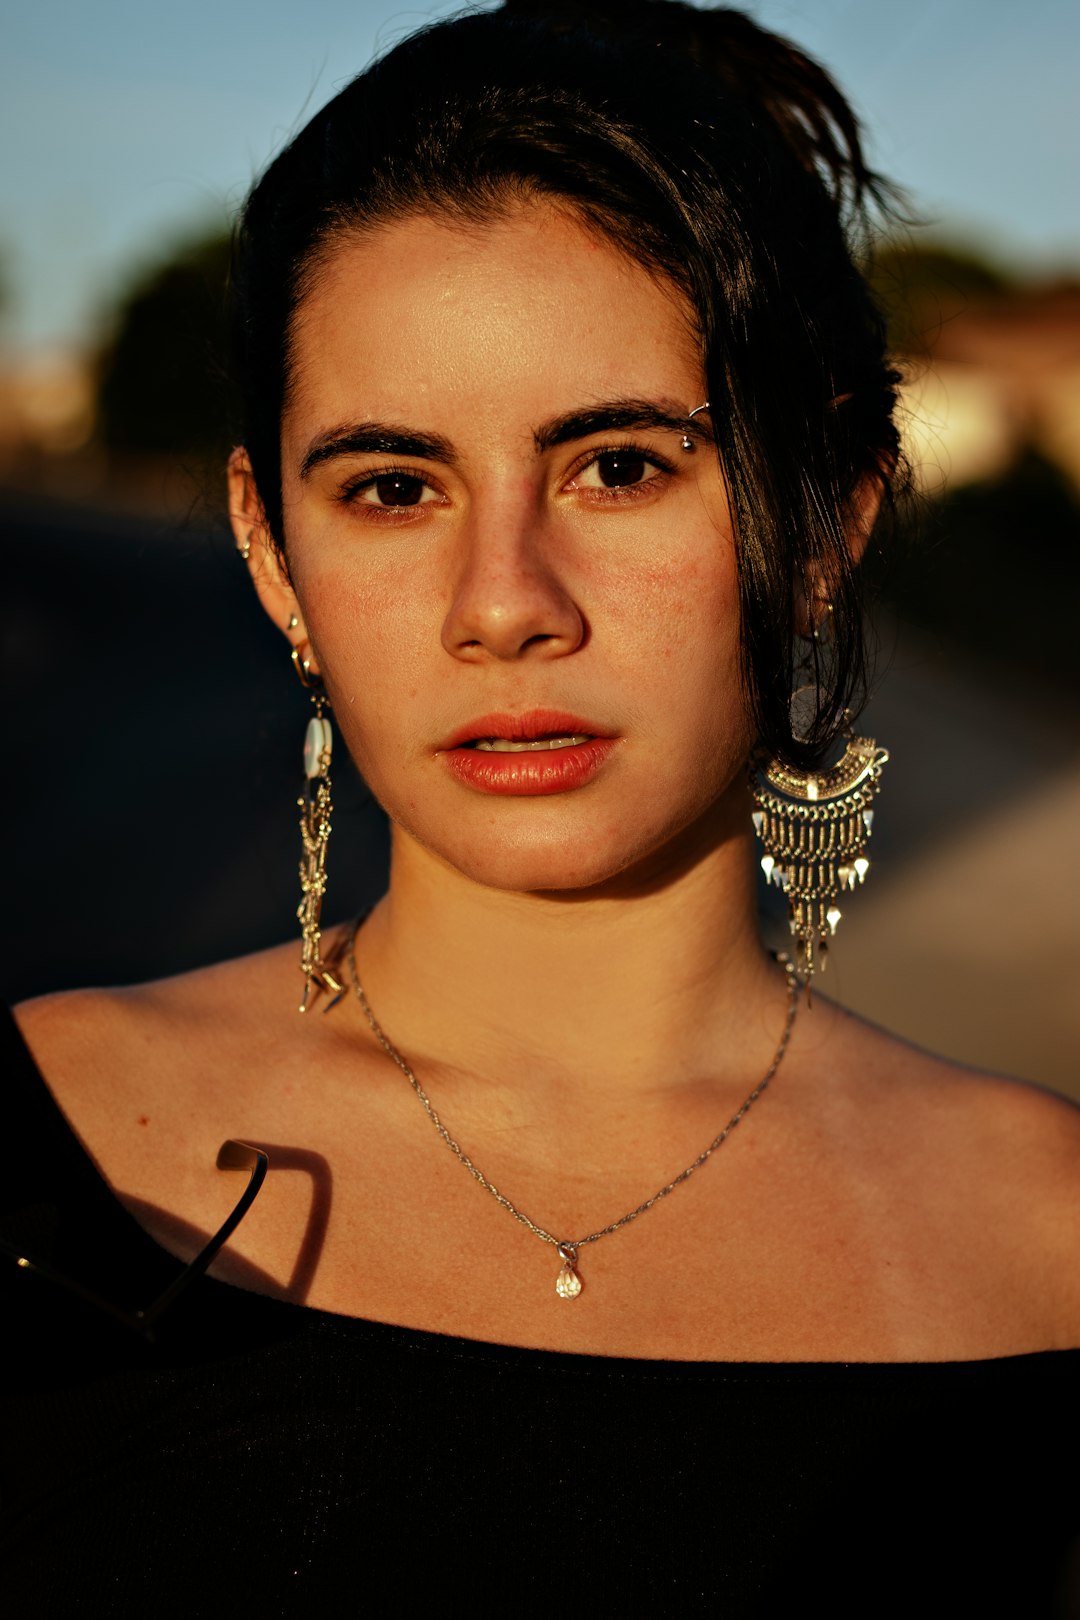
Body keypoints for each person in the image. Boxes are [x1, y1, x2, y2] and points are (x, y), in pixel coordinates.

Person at [4, 2, 1078, 1612]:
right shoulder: (34, 1145)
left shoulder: (1050, 1240)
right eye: (390, 487)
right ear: (268, 547)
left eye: (620, 466)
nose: (501, 604)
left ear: (827, 514)